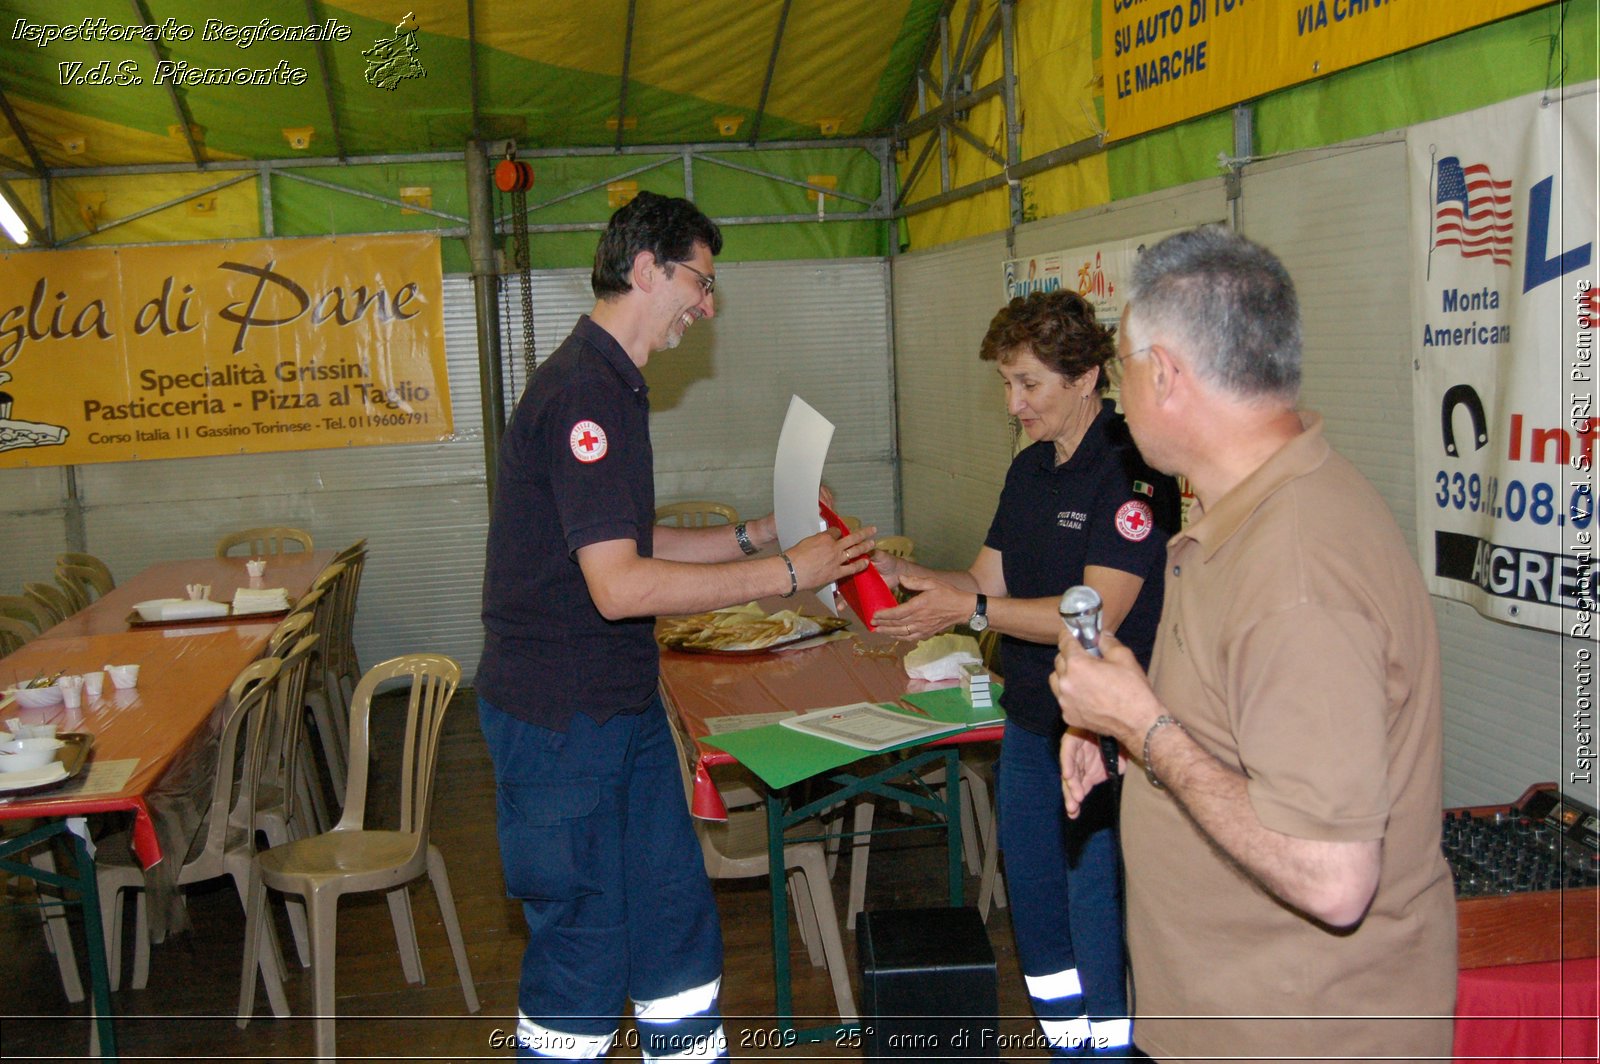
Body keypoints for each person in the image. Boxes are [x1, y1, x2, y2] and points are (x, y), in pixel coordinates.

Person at [477, 191, 875, 1063]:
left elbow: (622, 539)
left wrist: (757, 534)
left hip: (615, 712)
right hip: (562, 726)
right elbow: (618, 588)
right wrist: (786, 576)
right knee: (582, 959)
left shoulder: (612, 384)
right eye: (700, 281)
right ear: (646, 269)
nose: (708, 305)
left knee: (672, 933)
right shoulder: (587, 394)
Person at [1050, 226, 1456, 1060]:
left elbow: (1333, 878)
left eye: (1124, 365)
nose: (1120, 398)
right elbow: (1250, 741)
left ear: (1164, 372)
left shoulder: (1296, 573)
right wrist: (1127, 735)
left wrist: (1147, 731)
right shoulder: (1250, 517)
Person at [872, 289, 1178, 1057]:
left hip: (1103, 741)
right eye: (1006, 384)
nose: (1013, 404)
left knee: (1095, 917)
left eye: (1029, 385)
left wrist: (969, 608)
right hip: (1031, 728)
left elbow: (1095, 614)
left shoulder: (1134, 470)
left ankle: (1107, 1049)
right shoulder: (1031, 470)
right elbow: (986, 580)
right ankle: (1065, 1046)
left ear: (1086, 378)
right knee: (1039, 924)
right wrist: (902, 575)